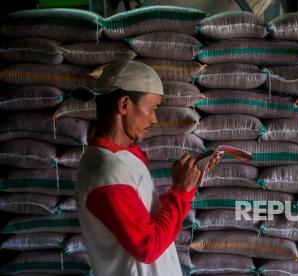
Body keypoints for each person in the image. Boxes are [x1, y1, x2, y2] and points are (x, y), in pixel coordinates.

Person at [75, 60, 221, 276]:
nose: (154, 119)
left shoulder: (122, 158)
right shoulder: (106, 172)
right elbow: (148, 246)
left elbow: (143, 219)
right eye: (153, 108)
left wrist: (186, 183)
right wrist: (180, 191)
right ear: (124, 104)